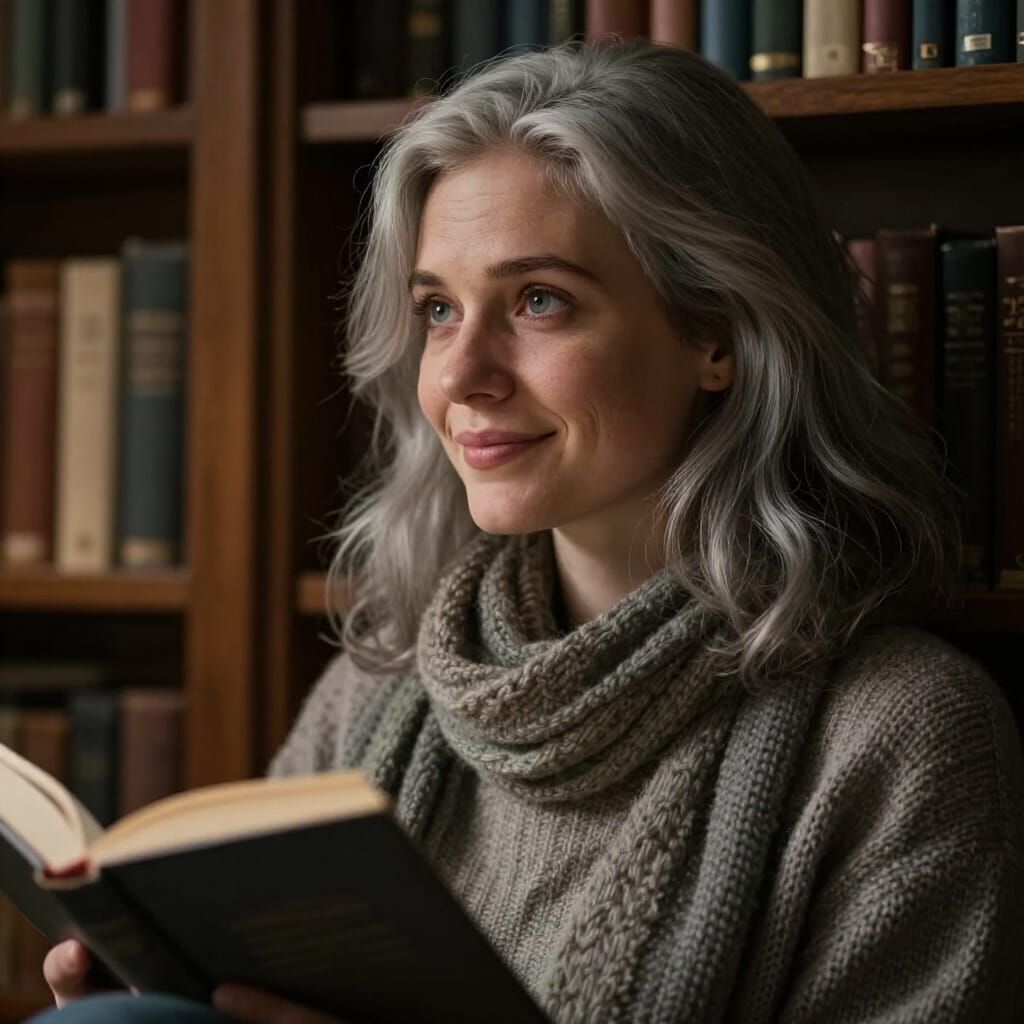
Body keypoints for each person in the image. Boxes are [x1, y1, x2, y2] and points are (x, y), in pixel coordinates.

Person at [36, 38, 1024, 1024]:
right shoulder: (377, 687)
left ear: (716, 333)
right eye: (437, 308)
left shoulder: (900, 735)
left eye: (539, 300)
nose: (461, 374)